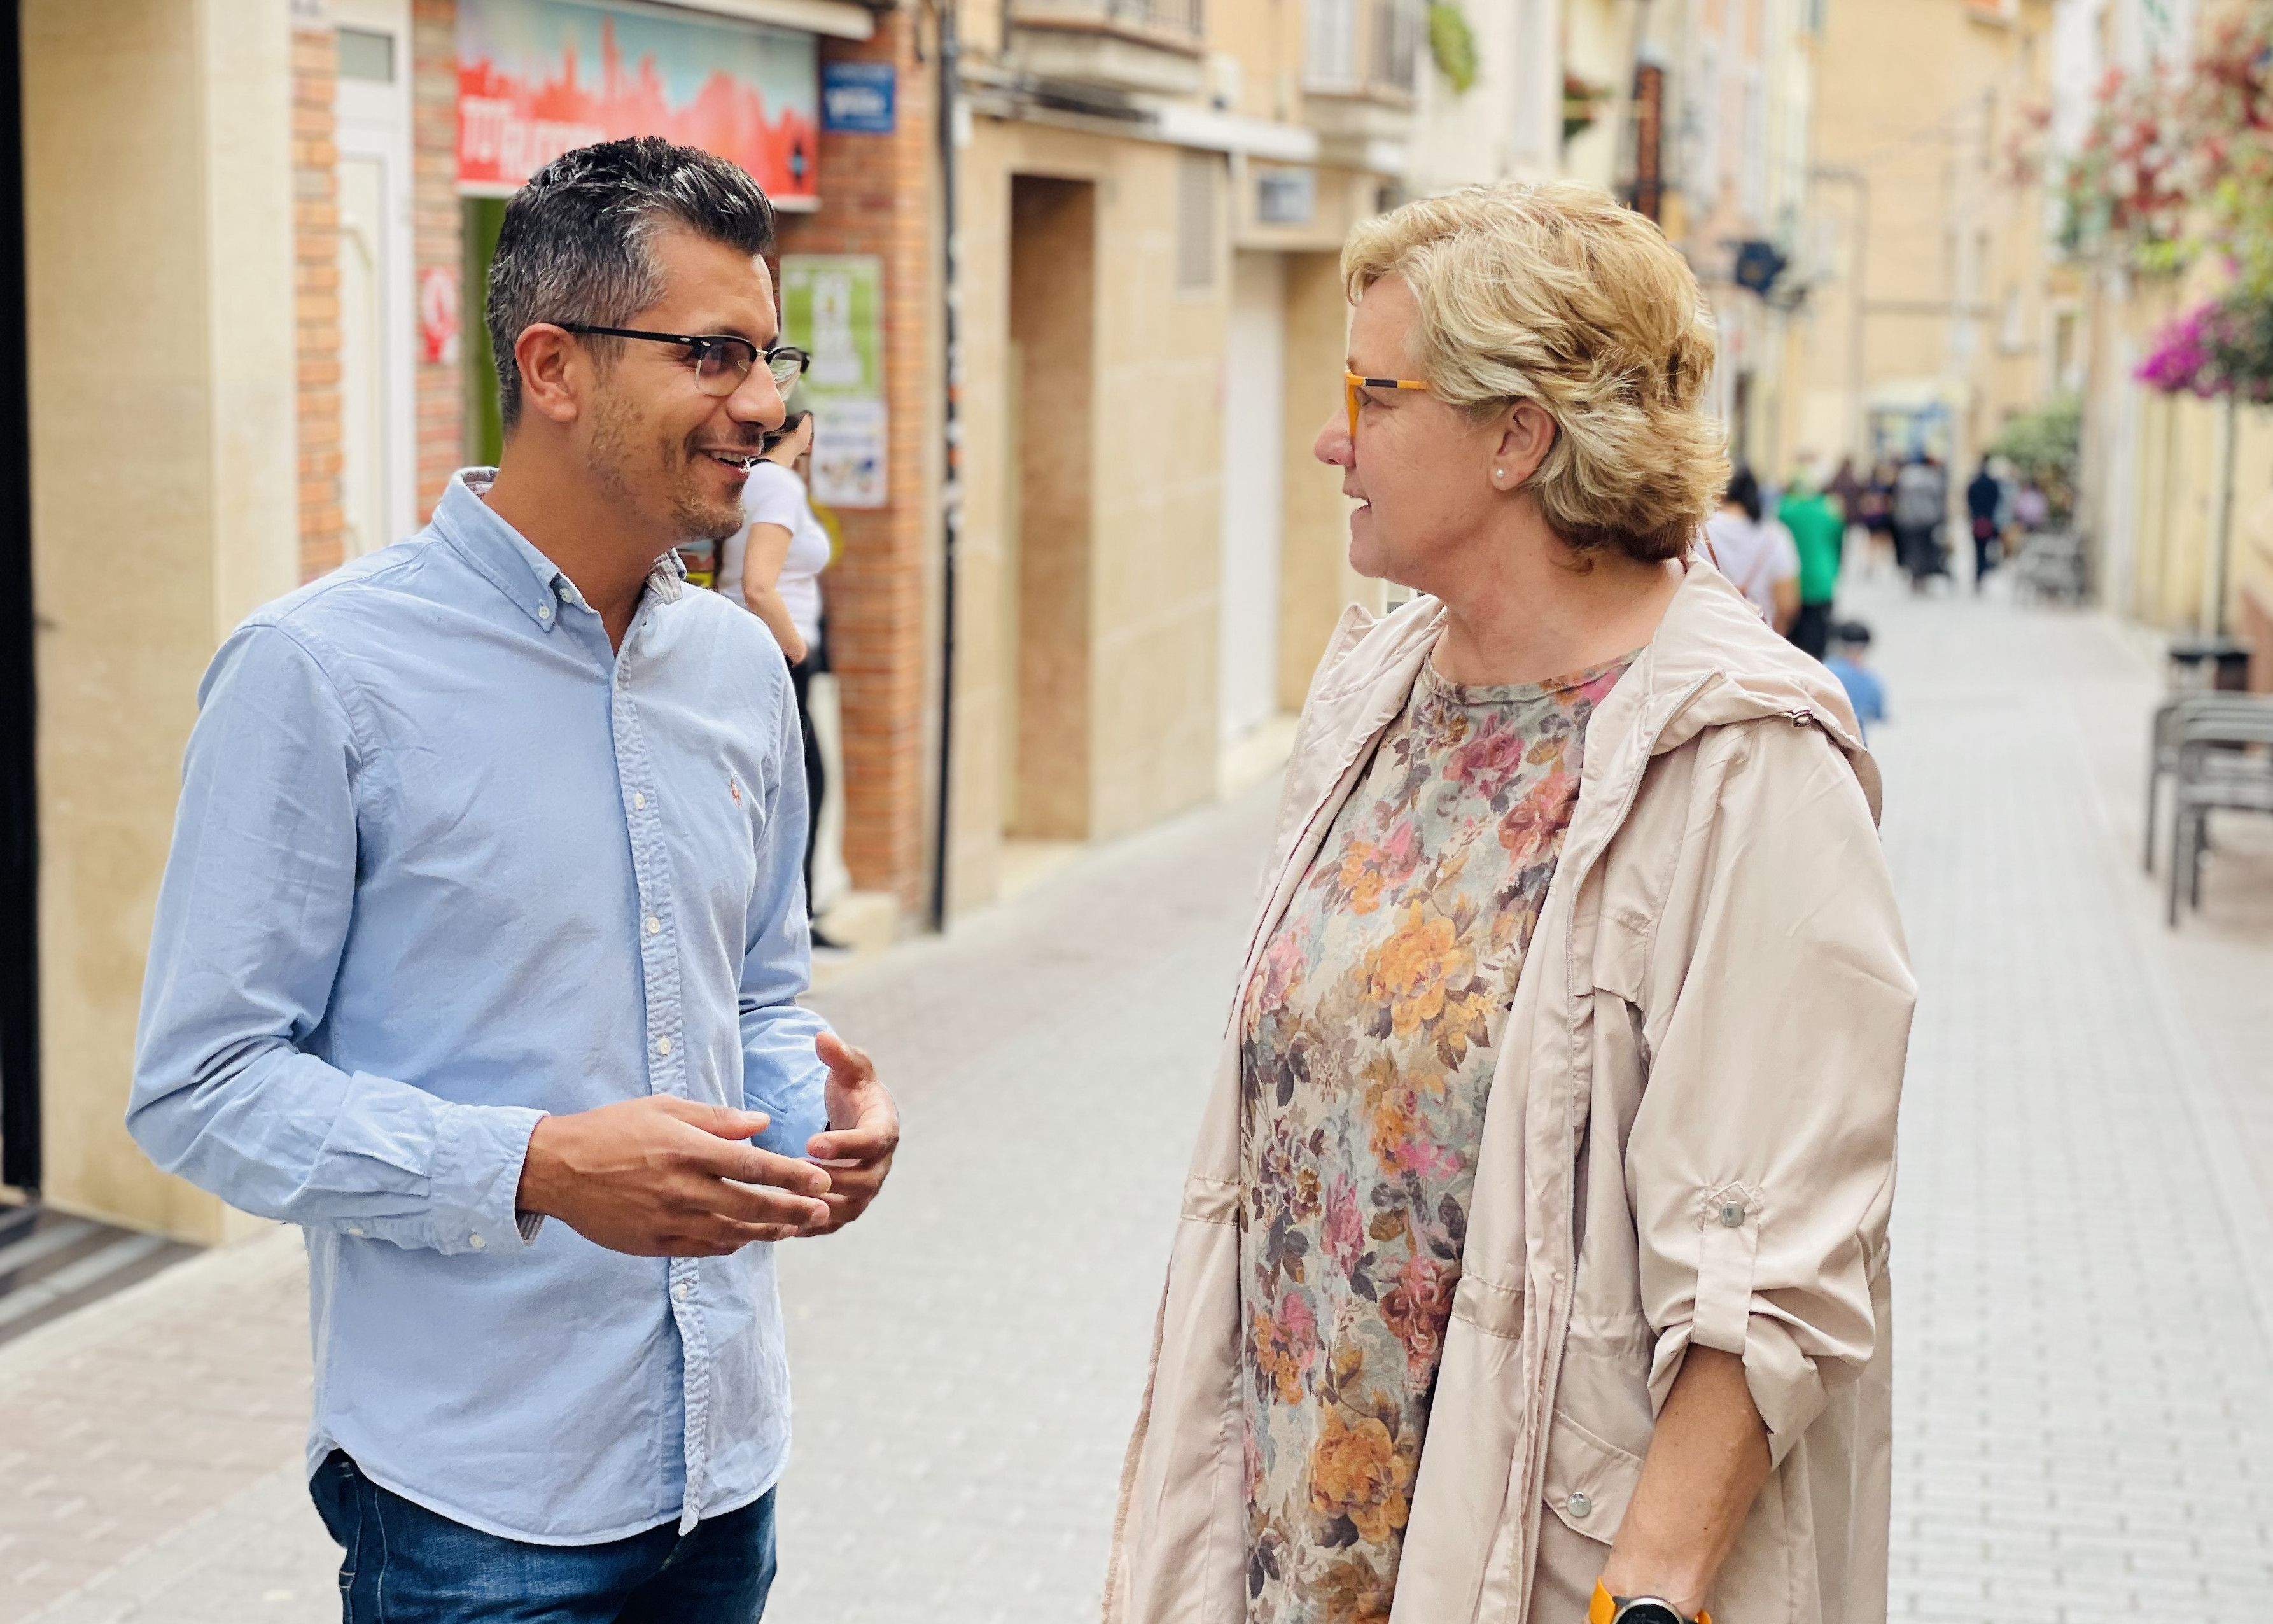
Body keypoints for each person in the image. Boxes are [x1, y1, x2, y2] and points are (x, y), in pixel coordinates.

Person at [1105, 181, 1913, 1624]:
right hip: (1296, 1531)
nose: (1327, 435)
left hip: (1535, 1552)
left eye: (1372, 390)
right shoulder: (1374, 689)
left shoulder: (1747, 763)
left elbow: (1771, 1264)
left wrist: (1644, 1598)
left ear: (1517, 434)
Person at [129, 138, 900, 1623]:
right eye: (716, 353)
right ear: (554, 365)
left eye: (770, 351)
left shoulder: (740, 667)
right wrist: (536, 1166)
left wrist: (823, 1124)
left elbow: (760, 984)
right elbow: (201, 1082)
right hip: (475, 1510)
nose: (765, 403)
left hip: (724, 1472)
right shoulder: (317, 672)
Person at [719, 410, 839, 942]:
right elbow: (759, 587)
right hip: (776, 655)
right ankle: (793, 929)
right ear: (801, 428)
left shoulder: (747, 478)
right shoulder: (779, 483)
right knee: (800, 790)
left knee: (769, 789)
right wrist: (800, 652)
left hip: (744, 650)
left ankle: (786, 925)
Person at [1700, 465, 1798, 631]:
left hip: (1709, 638)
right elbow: (1787, 604)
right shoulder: (1775, 536)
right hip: (1759, 638)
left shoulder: (1700, 531)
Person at [1778, 458, 1845, 659]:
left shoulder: (1784, 510)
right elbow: (1839, 544)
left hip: (1790, 584)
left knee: (1791, 647)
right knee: (1817, 649)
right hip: (1821, 582)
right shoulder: (1830, 511)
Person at [1892, 451, 1948, 589]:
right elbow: (1939, 500)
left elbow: (1898, 498)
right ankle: (1922, 575)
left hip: (1908, 520)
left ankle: (1915, 574)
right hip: (1928, 519)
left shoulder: (1905, 476)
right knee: (1926, 548)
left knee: (1912, 548)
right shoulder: (1932, 477)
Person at [1825, 620, 1888, 741]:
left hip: (1827, 736)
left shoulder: (1824, 669)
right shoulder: (1872, 681)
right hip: (1856, 740)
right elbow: (1879, 714)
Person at [1967, 455, 2004, 591]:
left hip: (1978, 520)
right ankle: (1982, 573)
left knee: (1978, 551)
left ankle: (1979, 574)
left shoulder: (1975, 484)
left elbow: (1969, 500)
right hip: (1988, 520)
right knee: (1985, 550)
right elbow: (1997, 500)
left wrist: (1976, 514)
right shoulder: (1992, 484)